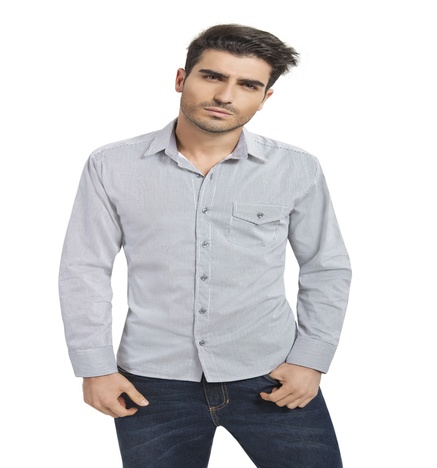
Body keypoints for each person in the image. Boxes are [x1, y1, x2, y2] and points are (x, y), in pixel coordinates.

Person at [59, 23, 352, 467]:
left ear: (265, 97)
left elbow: (325, 267)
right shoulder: (112, 165)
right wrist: (95, 367)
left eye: (248, 85)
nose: (225, 95)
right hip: (152, 383)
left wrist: (311, 361)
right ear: (182, 78)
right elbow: (84, 268)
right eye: (212, 76)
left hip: (273, 375)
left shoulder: (296, 169)